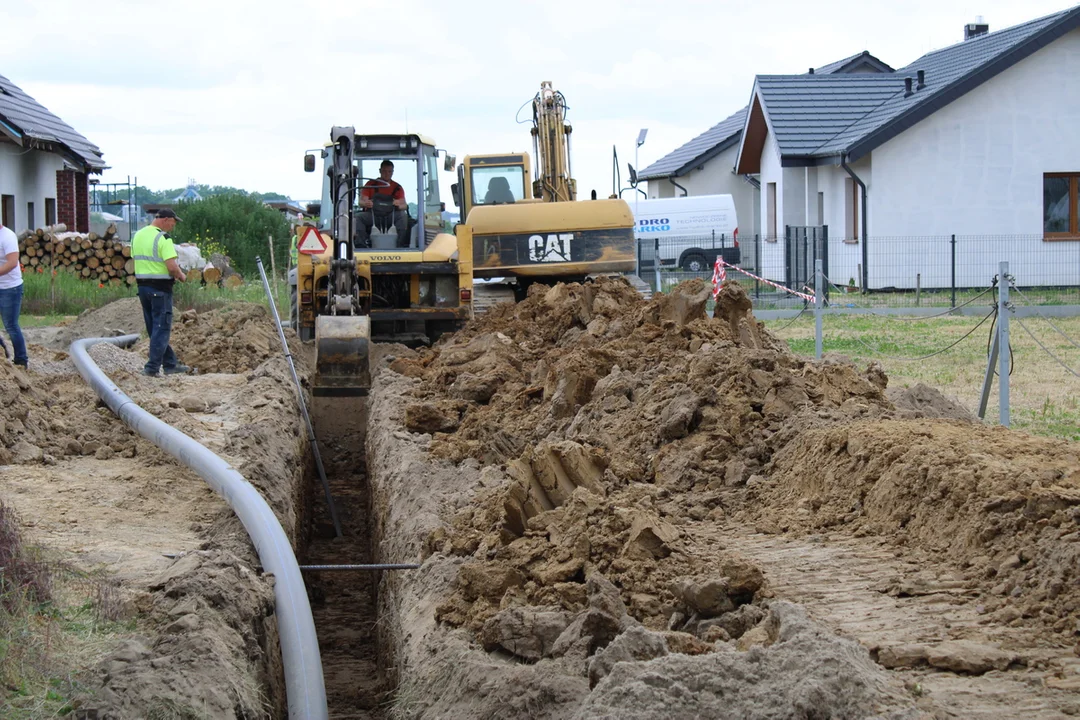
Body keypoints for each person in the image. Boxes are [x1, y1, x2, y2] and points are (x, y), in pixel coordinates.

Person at [132, 209, 189, 376]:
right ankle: (152, 368)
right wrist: (181, 275)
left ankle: (170, 363)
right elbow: (171, 266)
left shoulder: (138, 235)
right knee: (161, 328)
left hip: (143, 288)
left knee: (154, 328)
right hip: (160, 289)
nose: (173, 225)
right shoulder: (163, 238)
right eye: (173, 221)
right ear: (165, 219)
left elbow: (136, 259)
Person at [356, 159, 409, 247]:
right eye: (384, 171)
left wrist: (398, 204)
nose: (387, 174)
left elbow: (404, 205)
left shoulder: (397, 187)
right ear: (380, 171)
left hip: (390, 217)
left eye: (389, 171)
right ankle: (361, 245)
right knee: (358, 217)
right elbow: (361, 201)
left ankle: (400, 245)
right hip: (373, 216)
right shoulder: (370, 184)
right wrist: (366, 203)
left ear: (393, 172)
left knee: (403, 216)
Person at [0, 221, 27, 368]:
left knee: (11, 325)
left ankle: (21, 360)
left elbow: (11, 262)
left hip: (10, 288)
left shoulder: (7, 237)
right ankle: (2, 352)